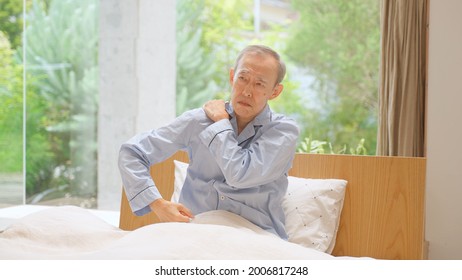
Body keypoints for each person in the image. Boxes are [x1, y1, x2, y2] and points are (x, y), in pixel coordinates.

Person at [118, 45, 299, 239]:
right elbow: (131, 152)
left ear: (275, 91)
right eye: (243, 78)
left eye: (259, 84)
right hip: (195, 232)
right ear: (232, 77)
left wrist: (221, 123)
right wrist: (157, 204)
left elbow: (240, 175)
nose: (247, 91)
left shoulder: (282, 132)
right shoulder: (198, 121)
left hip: (255, 237)